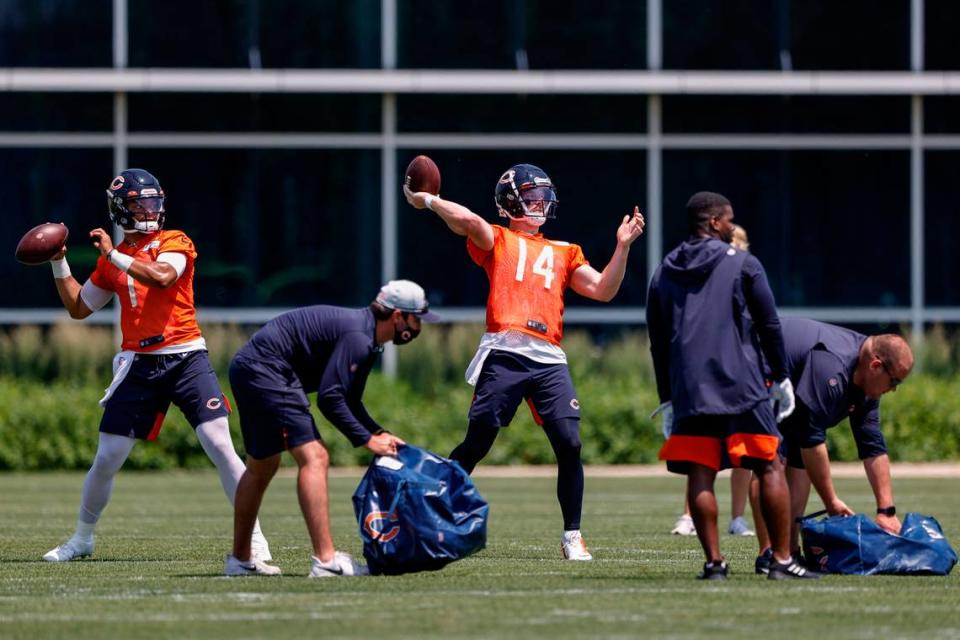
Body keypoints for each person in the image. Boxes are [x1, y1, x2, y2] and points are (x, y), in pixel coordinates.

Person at [404, 163, 644, 561]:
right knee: (478, 442)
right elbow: (468, 221)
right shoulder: (496, 239)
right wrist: (428, 199)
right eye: (531, 197)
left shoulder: (565, 251)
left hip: (549, 357)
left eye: (541, 198)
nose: (539, 204)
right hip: (505, 350)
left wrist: (623, 246)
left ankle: (572, 535)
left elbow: (603, 289)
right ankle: (428, 505)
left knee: (570, 443)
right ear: (510, 202)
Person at [41, 168, 271, 563]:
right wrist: (59, 263)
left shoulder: (175, 240)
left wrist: (112, 253)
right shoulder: (113, 262)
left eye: (153, 202)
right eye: (139, 203)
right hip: (140, 364)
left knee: (220, 446)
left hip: (186, 358)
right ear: (120, 209)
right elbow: (79, 307)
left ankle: (255, 540)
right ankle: (82, 538)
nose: (149, 210)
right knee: (108, 457)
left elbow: (163, 277)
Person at [647, 191, 818, 580]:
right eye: (728, 220)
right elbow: (769, 324)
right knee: (769, 465)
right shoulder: (743, 264)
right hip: (741, 383)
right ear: (713, 223)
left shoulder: (663, 270)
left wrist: (667, 396)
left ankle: (714, 563)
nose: (731, 226)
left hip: (691, 389)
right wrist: (781, 377)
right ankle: (781, 560)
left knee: (701, 472)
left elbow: (657, 339)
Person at [225, 279, 439, 577]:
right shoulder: (358, 336)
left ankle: (240, 560)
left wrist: (379, 433)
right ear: (398, 316)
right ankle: (326, 561)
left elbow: (350, 399)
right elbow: (329, 398)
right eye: (417, 318)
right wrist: (367, 441)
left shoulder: (367, 337)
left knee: (261, 467)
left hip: (249, 367)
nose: (419, 326)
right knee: (316, 457)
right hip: (268, 369)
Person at [751, 317, 913, 573]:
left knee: (796, 459)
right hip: (753, 370)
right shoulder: (832, 367)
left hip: (789, 386)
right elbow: (812, 441)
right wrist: (831, 501)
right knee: (769, 461)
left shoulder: (868, 384)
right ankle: (769, 552)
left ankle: (788, 552)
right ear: (875, 365)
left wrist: (886, 511)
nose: (893, 390)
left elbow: (872, 445)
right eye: (894, 382)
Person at [669, 223, 759, 538]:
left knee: (744, 452)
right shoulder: (705, 279)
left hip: (739, 372)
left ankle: (737, 518)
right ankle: (688, 515)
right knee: (699, 447)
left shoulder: (746, 277)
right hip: (707, 372)